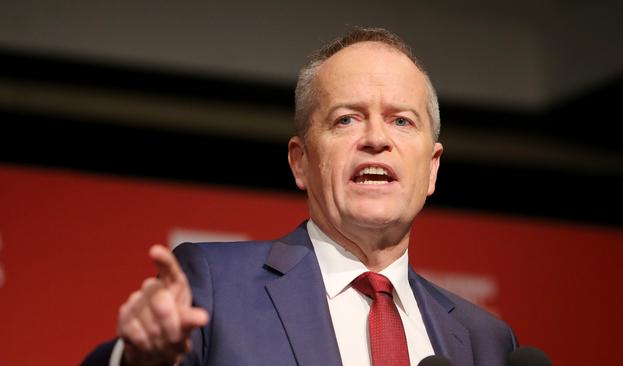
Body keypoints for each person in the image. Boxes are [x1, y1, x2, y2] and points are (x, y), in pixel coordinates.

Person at [82, 27, 517, 366]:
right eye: (347, 119)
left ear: (432, 168)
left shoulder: (486, 341)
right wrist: (137, 360)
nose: (376, 139)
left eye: (402, 121)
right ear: (301, 161)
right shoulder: (215, 288)